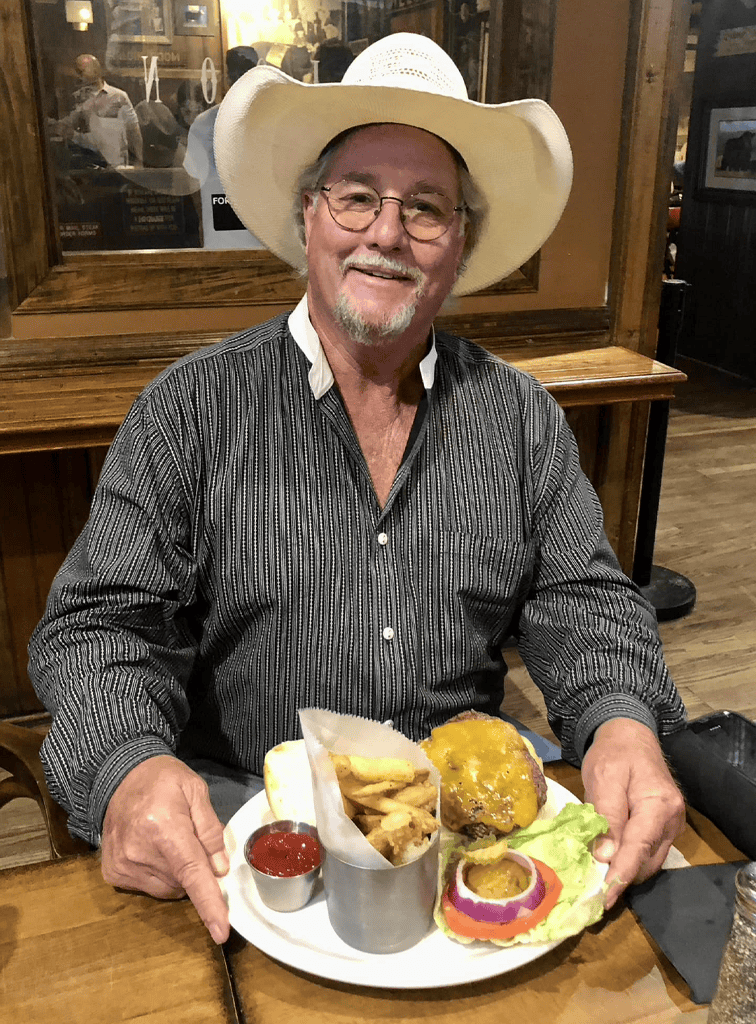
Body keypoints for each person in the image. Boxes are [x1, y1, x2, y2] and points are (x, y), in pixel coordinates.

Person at [29, 33, 687, 947]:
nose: (386, 232)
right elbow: (99, 627)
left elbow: (583, 598)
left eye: (426, 209)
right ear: (309, 215)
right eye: (358, 198)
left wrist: (620, 719)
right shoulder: (190, 409)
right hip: (257, 828)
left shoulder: (520, 416)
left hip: (467, 829)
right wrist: (128, 766)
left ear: (460, 246)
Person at [183, 46, 264, 249]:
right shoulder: (203, 124)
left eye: (245, 72)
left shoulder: (274, 121)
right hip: (223, 241)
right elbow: (193, 183)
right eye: (236, 73)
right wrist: (204, 223)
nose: (240, 79)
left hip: (263, 241)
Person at [58, 54, 143, 168]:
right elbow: (67, 124)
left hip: (118, 166)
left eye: (82, 70)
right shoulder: (78, 98)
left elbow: (133, 130)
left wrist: (139, 161)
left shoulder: (118, 96)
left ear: (97, 70)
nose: (79, 75)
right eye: (77, 71)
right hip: (91, 164)